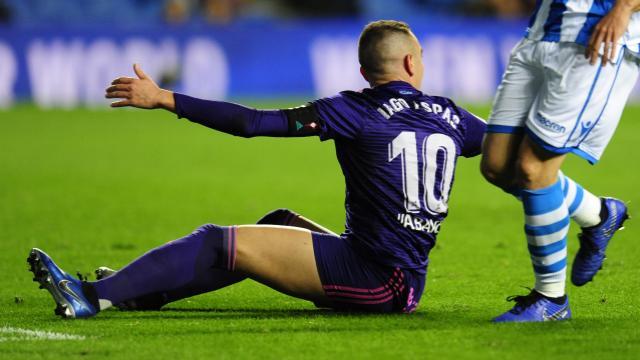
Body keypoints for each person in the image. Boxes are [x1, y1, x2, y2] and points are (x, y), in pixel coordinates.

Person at [28, 20, 487, 319]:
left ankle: (89, 297)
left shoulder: (354, 110)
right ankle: (139, 292)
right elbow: (506, 145)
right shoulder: (452, 115)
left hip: (380, 278)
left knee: (217, 240)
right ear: (411, 62)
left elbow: (252, 123)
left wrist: (167, 99)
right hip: (396, 273)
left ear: (365, 72)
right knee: (276, 224)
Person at [481, 0, 639, 322]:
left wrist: (623, 7)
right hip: (540, 34)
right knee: (498, 165)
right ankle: (600, 213)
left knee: (533, 168)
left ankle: (551, 298)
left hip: (595, 39)